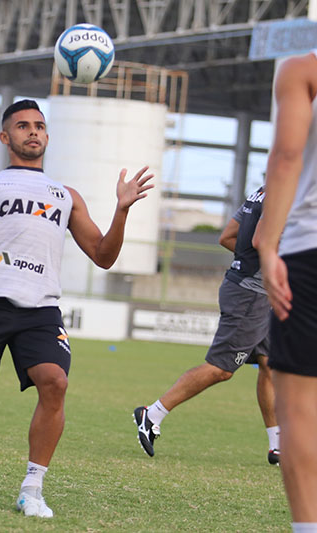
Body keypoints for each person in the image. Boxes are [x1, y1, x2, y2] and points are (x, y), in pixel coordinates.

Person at [0, 99, 153, 518]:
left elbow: (104, 256)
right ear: (6, 137)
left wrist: (121, 210)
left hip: (40, 309)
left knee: (54, 381)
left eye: (39, 126)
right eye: (22, 126)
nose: (32, 132)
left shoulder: (65, 195)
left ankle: (32, 488)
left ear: (47, 137)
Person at [133, 185, 280, 464]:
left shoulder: (262, 191)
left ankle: (277, 444)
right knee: (221, 369)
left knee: (269, 363)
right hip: (250, 295)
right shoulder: (284, 193)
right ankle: (151, 414)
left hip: (256, 291)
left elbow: (227, 237)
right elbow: (263, 241)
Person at [252, 51, 317, 530]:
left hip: (308, 248)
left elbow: (288, 155)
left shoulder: (302, 69)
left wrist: (267, 242)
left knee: (298, 413)